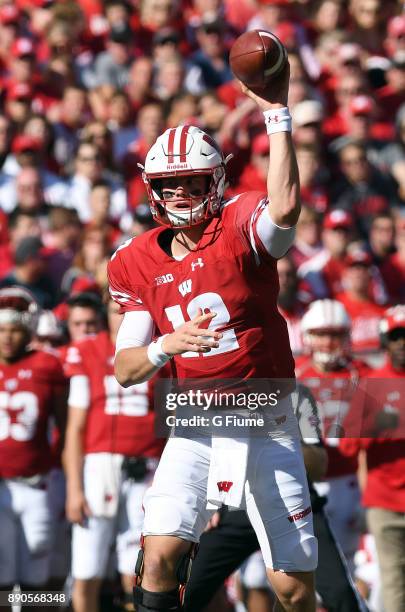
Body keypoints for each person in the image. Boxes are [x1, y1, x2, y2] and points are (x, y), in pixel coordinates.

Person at [108, 66, 318, 611]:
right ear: (151, 188)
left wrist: (277, 115)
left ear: (215, 181)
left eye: (193, 181)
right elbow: (126, 367)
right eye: (169, 184)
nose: (180, 193)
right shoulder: (135, 261)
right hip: (196, 423)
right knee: (157, 556)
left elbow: (287, 207)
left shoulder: (240, 224)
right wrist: (165, 346)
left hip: (265, 418)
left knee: (292, 589)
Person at [185, 383, 367, 612]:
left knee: (341, 597)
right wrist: (201, 500)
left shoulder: (296, 394)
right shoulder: (209, 392)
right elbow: (191, 457)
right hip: (232, 507)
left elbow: (318, 465)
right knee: (181, 593)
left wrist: (278, 439)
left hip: (293, 506)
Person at [63, 299, 164, 612]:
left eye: (131, 313)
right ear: (105, 316)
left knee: (137, 570)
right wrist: (74, 489)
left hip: (147, 466)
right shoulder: (88, 351)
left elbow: (172, 421)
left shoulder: (160, 349)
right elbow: (75, 428)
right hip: (99, 466)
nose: (124, 320)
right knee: (87, 570)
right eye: (117, 312)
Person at [0, 287, 67, 594]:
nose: (8, 337)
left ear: (27, 330)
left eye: (15, 329)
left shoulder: (47, 365)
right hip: (1, 485)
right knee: (1, 570)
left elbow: (65, 424)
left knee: (39, 564)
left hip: (37, 480)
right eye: (2, 329)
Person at [296, 299, 370, 573]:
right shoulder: (294, 372)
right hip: (306, 482)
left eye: (335, 334)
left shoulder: (362, 373)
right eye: (320, 334)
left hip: (348, 481)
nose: (327, 343)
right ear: (307, 336)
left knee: (347, 564)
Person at [340, 305, 405, 612]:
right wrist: (379, 426)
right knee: (393, 578)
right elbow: (348, 445)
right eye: (396, 336)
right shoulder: (369, 385)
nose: (402, 343)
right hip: (385, 503)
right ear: (384, 341)